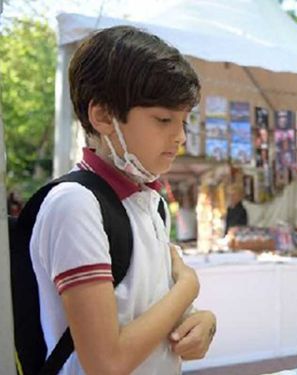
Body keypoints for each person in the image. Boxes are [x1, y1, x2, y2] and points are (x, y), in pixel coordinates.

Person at [29, 26, 216, 374]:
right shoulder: (76, 204)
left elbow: (150, 312)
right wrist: (188, 287)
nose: (180, 137)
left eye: (184, 121)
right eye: (163, 119)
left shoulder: (150, 203)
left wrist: (202, 322)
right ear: (102, 116)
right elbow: (105, 362)